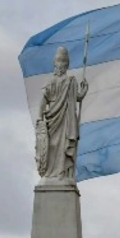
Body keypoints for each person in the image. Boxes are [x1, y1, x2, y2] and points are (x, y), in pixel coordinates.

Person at [35, 46, 88, 182]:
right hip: (53, 119)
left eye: (64, 60)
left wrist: (84, 91)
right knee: (51, 146)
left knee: (64, 147)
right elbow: (43, 100)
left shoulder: (71, 81)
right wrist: (39, 118)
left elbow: (77, 97)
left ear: (67, 63)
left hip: (66, 119)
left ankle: (63, 173)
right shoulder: (51, 82)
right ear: (54, 62)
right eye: (59, 60)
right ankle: (49, 174)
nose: (61, 63)